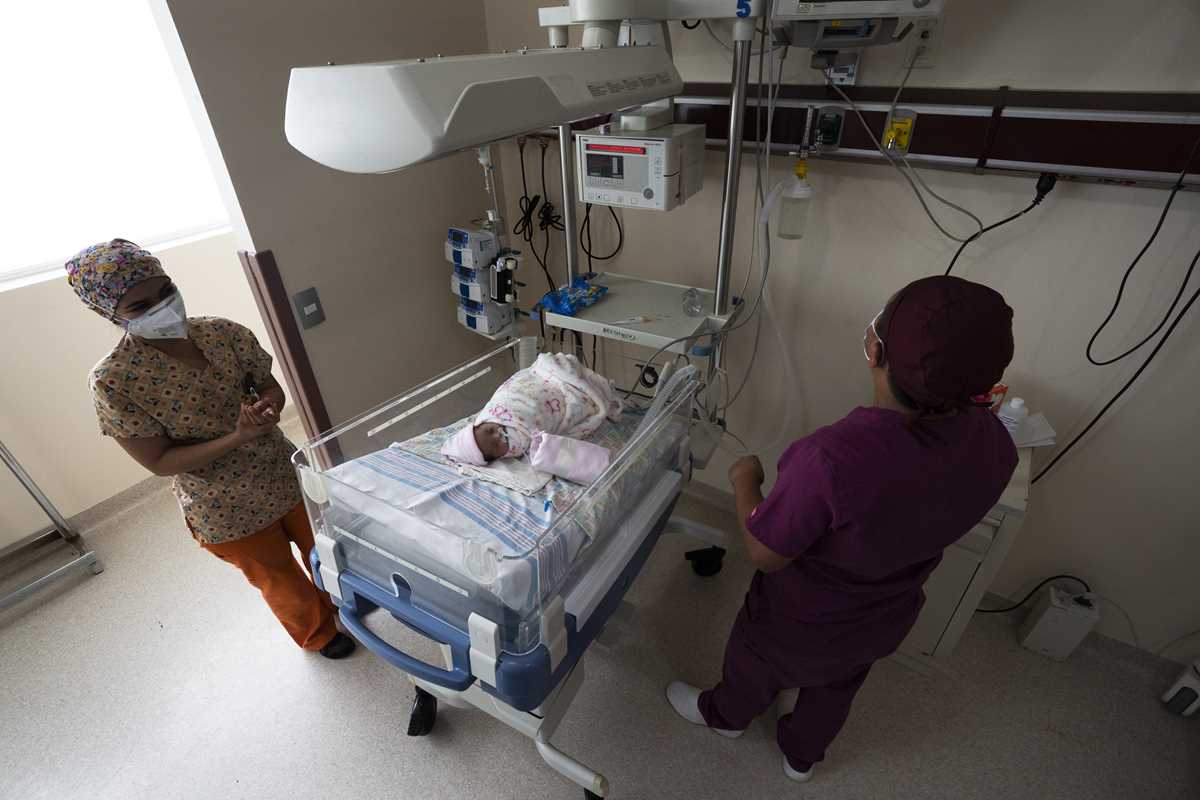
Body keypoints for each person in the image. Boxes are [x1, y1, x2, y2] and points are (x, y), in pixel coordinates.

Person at [667, 275, 1019, 782]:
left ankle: (726, 717)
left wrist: (746, 482)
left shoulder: (830, 459)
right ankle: (801, 756)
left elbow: (765, 552)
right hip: (883, 617)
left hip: (796, 619)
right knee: (837, 685)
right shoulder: (994, 442)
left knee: (753, 662)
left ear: (876, 350)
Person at [66, 239, 355, 659]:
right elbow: (160, 461)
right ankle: (319, 633)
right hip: (224, 505)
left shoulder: (222, 333)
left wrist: (268, 406)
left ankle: (346, 604)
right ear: (108, 313)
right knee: (279, 576)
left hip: (282, 471)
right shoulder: (114, 380)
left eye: (166, 290)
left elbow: (268, 386)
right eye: (141, 306)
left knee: (324, 546)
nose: (163, 307)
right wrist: (238, 436)